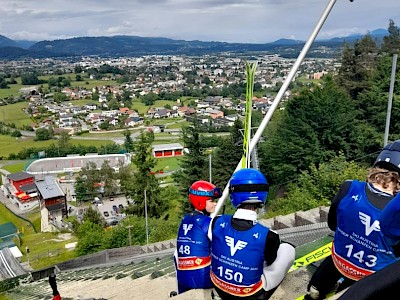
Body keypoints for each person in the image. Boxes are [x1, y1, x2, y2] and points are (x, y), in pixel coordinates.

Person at [304, 140, 400, 300]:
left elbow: (333, 224)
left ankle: (315, 290)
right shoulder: (396, 212)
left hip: (340, 261)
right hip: (371, 278)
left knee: (327, 269)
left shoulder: (349, 187)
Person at [209, 168, 295, 300]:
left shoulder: (216, 221)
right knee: (287, 249)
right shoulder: (269, 235)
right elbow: (270, 262)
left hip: (218, 287)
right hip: (248, 294)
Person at [173, 180, 222, 295]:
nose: (215, 204)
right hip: (203, 278)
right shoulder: (207, 222)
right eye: (211, 201)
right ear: (200, 201)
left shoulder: (185, 219)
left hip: (183, 280)